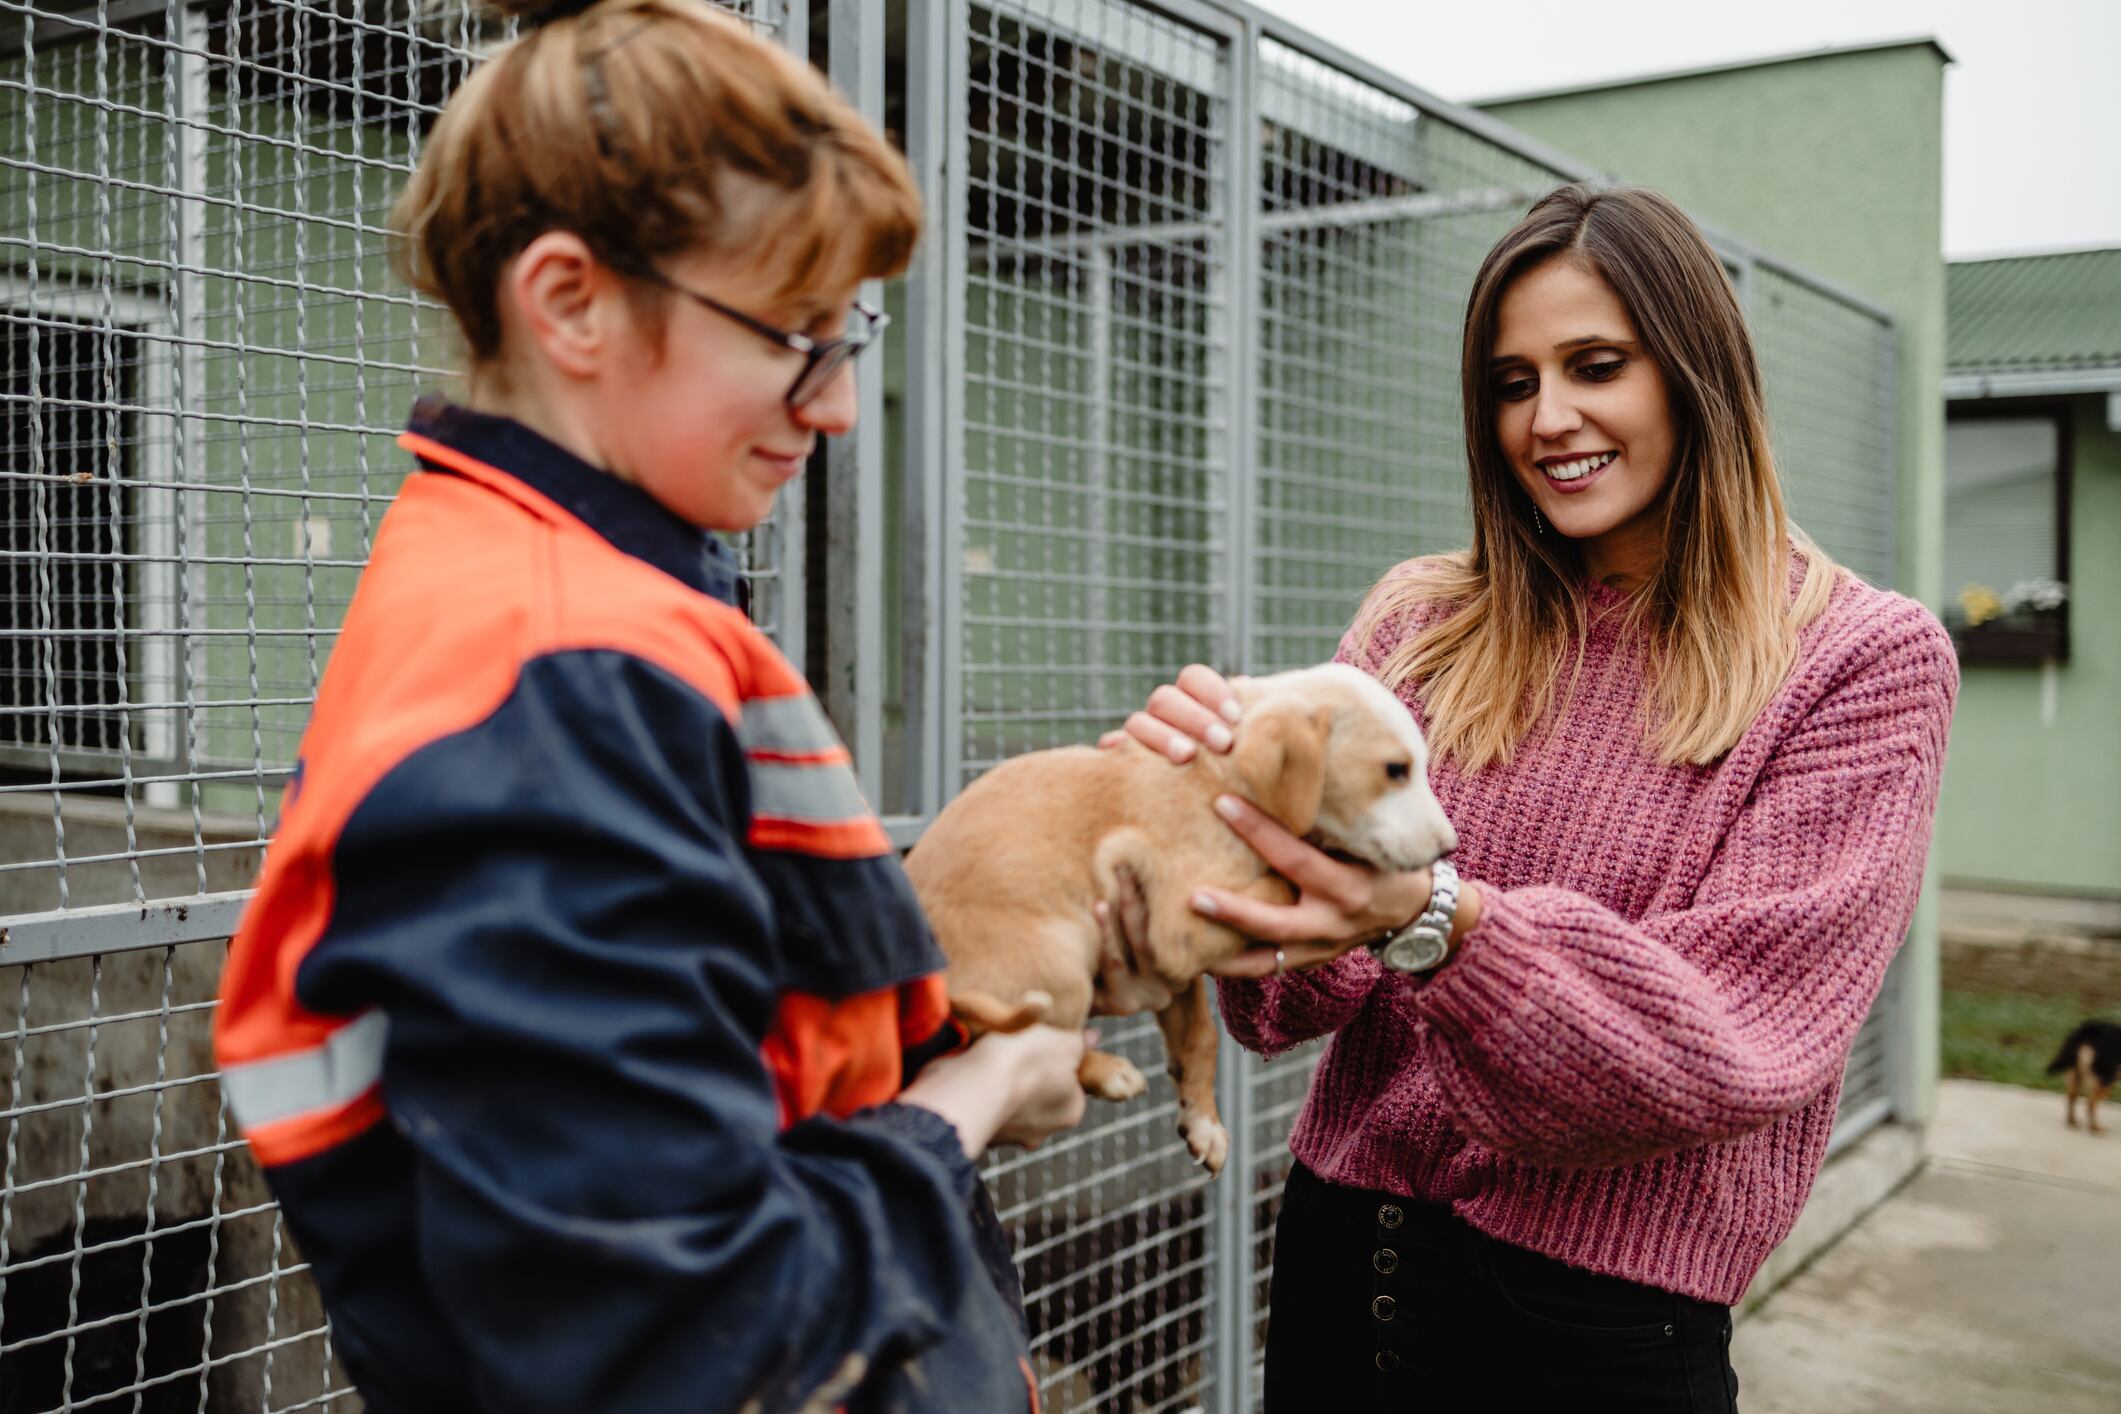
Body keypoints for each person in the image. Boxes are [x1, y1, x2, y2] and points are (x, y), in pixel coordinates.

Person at [211, 4, 1095, 1410]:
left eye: (850, 334)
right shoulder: (562, 678)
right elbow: (676, 1334)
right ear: (570, 302)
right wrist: (972, 1105)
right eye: (797, 333)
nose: (837, 406)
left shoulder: (552, 596)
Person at [1118, 183, 1958, 1411]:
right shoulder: (1422, 619)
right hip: (1340, 1257)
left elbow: (1735, 1040)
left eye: (1596, 366)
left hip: (1596, 1333)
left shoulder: (1860, 660)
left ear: (1697, 372)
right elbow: (1280, 1005)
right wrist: (1211, 811)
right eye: (1512, 384)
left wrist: (1438, 921)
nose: (1548, 419)